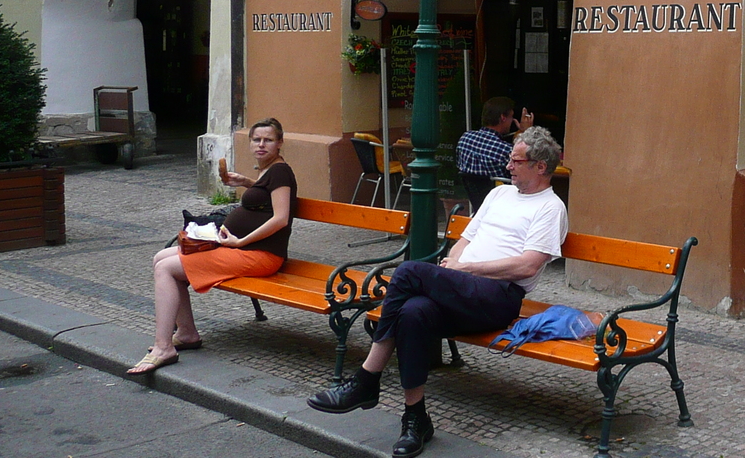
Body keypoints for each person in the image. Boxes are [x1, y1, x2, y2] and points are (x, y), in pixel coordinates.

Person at [308, 125, 567, 458]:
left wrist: (463, 270)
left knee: (409, 270)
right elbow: (466, 240)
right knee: (413, 312)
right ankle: (416, 419)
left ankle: (366, 379)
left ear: (540, 167)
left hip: (498, 298)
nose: (508, 166)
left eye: (516, 161)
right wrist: (451, 266)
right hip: (462, 288)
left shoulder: (550, 207)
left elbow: (528, 266)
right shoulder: (499, 194)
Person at [129, 118, 295, 375]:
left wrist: (241, 241)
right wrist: (246, 183)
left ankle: (164, 347)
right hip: (241, 249)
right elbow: (267, 197)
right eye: (256, 139)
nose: (261, 144)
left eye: (268, 140)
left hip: (260, 255)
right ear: (250, 142)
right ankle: (185, 333)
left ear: (280, 143)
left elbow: (280, 218)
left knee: (166, 269)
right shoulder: (269, 170)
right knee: (160, 258)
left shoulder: (280, 171)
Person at [455, 96, 533, 212]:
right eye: (511, 117)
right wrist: (527, 133)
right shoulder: (506, 151)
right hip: (505, 209)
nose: (512, 121)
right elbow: (529, 169)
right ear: (503, 117)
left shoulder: (464, 139)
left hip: (478, 208)